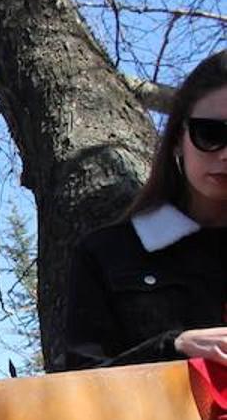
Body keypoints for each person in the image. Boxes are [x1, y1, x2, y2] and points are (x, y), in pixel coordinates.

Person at [60, 50, 227, 370]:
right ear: (178, 139)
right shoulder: (107, 254)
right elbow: (80, 384)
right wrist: (173, 347)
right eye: (210, 134)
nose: (225, 155)